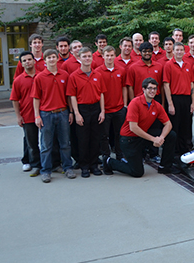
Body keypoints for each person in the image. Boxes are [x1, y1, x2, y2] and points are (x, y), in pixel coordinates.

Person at [103, 78, 178, 177]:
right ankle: (109, 162)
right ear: (143, 89)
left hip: (142, 137)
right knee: (137, 172)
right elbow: (133, 127)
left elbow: (168, 124)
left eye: (155, 89)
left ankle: (165, 167)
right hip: (129, 139)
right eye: (150, 88)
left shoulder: (157, 105)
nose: (152, 91)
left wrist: (161, 138)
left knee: (171, 135)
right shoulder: (135, 103)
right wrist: (153, 139)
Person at [31, 49, 76, 183]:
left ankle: (68, 168)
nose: (51, 59)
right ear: (44, 61)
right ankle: (46, 170)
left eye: (53, 57)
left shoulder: (65, 75)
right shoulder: (39, 77)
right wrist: (37, 116)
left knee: (65, 143)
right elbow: (36, 98)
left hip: (62, 112)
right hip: (46, 114)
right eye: (48, 58)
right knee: (46, 145)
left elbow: (69, 96)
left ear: (57, 59)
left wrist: (71, 112)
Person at [67, 47, 106, 177]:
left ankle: (94, 165)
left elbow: (101, 94)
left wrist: (103, 111)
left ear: (92, 57)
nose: (87, 59)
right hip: (82, 108)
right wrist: (76, 113)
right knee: (83, 139)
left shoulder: (98, 75)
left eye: (89, 56)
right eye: (84, 56)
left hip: (95, 108)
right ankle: (84, 166)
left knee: (95, 138)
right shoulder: (74, 76)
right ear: (79, 58)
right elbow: (72, 96)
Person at [10, 51, 41, 176]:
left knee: (48, 142)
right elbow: (15, 99)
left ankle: (51, 162)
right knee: (31, 142)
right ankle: (35, 164)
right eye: (24, 60)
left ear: (34, 61)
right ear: (21, 64)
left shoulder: (42, 76)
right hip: (27, 115)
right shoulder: (18, 81)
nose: (27, 62)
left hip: (44, 114)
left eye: (29, 59)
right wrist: (18, 116)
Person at [95, 45, 127, 161]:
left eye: (111, 55)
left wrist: (124, 105)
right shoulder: (97, 72)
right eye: (107, 55)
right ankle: (106, 157)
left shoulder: (121, 70)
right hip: (105, 109)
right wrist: (101, 109)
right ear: (102, 56)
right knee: (104, 136)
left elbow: (124, 87)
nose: (109, 58)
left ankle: (120, 156)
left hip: (119, 108)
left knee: (120, 134)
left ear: (115, 56)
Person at [163, 42, 194, 156]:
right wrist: (170, 104)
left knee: (186, 126)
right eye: (177, 50)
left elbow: (192, 84)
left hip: (186, 99)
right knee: (175, 126)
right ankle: (174, 153)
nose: (179, 52)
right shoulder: (168, 65)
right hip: (175, 98)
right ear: (173, 51)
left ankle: (185, 150)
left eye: (181, 50)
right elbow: (166, 85)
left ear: (184, 51)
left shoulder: (188, 64)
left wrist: (192, 102)